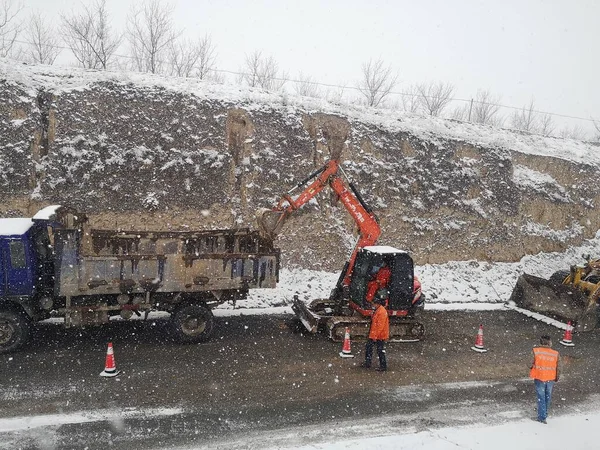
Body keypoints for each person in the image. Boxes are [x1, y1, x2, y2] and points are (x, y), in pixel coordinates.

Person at [529, 335, 560, 424]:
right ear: (550, 342)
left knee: (541, 397)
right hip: (550, 378)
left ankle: (542, 417)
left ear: (540, 342)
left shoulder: (535, 351)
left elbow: (529, 364)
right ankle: (544, 413)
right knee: (547, 396)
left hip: (539, 377)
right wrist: (556, 377)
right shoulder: (555, 353)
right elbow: (559, 367)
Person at [362, 289, 390, 372]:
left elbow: (379, 326)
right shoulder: (378, 310)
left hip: (379, 335)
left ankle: (383, 366)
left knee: (380, 350)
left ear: (377, 304)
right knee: (369, 348)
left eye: (373, 304)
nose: (372, 305)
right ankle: (368, 362)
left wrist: (374, 336)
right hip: (375, 334)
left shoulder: (381, 312)